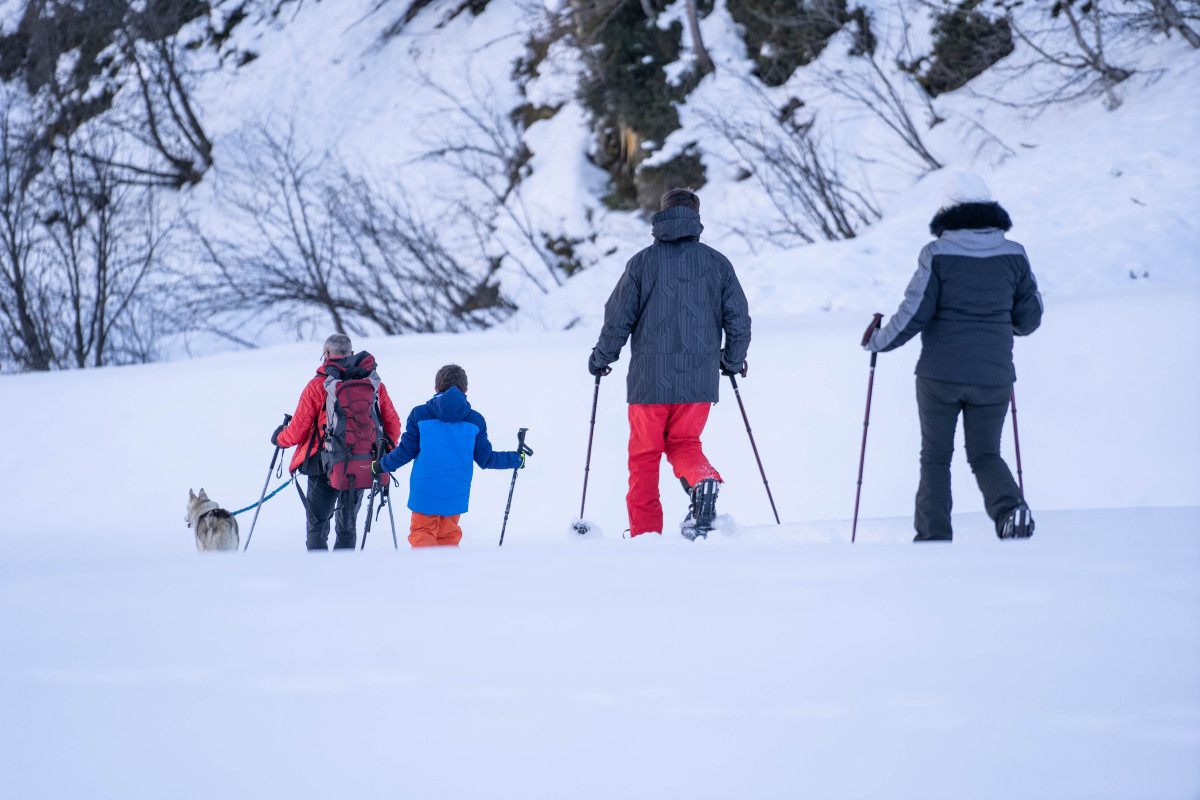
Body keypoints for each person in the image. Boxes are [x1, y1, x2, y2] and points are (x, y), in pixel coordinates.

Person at [863, 172, 1043, 542]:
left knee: (935, 458)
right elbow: (1030, 319)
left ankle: (934, 538)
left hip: (940, 377)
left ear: (949, 209)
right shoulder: (1015, 254)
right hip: (994, 376)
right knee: (985, 455)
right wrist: (999, 328)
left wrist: (877, 341)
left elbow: (913, 315)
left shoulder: (937, 254)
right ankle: (1013, 513)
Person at [588, 187, 751, 539]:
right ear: (696, 216)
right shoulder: (717, 263)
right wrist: (733, 361)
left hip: (649, 382)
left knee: (644, 456)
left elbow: (617, 319)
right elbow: (738, 319)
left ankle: (646, 536)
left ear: (662, 214)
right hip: (699, 381)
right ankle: (703, 479)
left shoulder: (642, 263)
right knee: (685, 443)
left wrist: (602, 358)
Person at [372, 364, 527, 548]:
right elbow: (487, 459)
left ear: (436, 388)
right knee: (448, 540)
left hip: (425, 492)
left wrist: (380, 465)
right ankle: (448, 574)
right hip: (455, 493)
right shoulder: (475, 420)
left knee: (422, 535)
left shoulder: (420, 414)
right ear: (466, 390)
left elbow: (405, 452)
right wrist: (516, 459)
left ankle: (425, 573)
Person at [271, 334, 402, 550]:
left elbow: (297, 430)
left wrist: (279, 438)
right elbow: (393, 424)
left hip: (321, 464)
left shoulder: (317, 386)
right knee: (348, 526)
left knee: (317, 526)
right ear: (351, 354)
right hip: (360, 462)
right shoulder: (373, 385)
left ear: (326, 354)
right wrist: (381, 453)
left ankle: (319, 573)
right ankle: (346, 574)